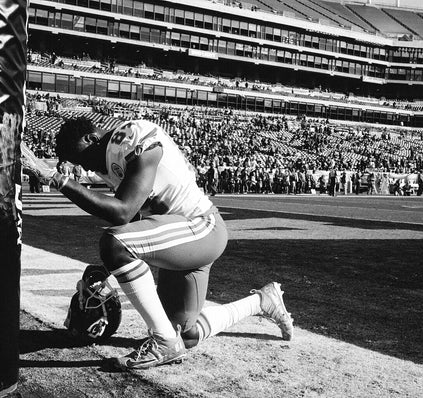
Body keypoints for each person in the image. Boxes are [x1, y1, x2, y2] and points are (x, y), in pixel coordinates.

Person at [30, 117, 294, 370]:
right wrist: (104, 272)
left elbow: (121, 213)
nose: (87, 166)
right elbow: (132, 221)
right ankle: (262, 302)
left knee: (115, 244)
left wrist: (58, 179)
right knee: (184, 333)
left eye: (83, 157)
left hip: (201, 228)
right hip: (182, 237)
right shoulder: (113, 157)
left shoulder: (132, 136)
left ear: (91, 138)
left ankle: (163, 343)